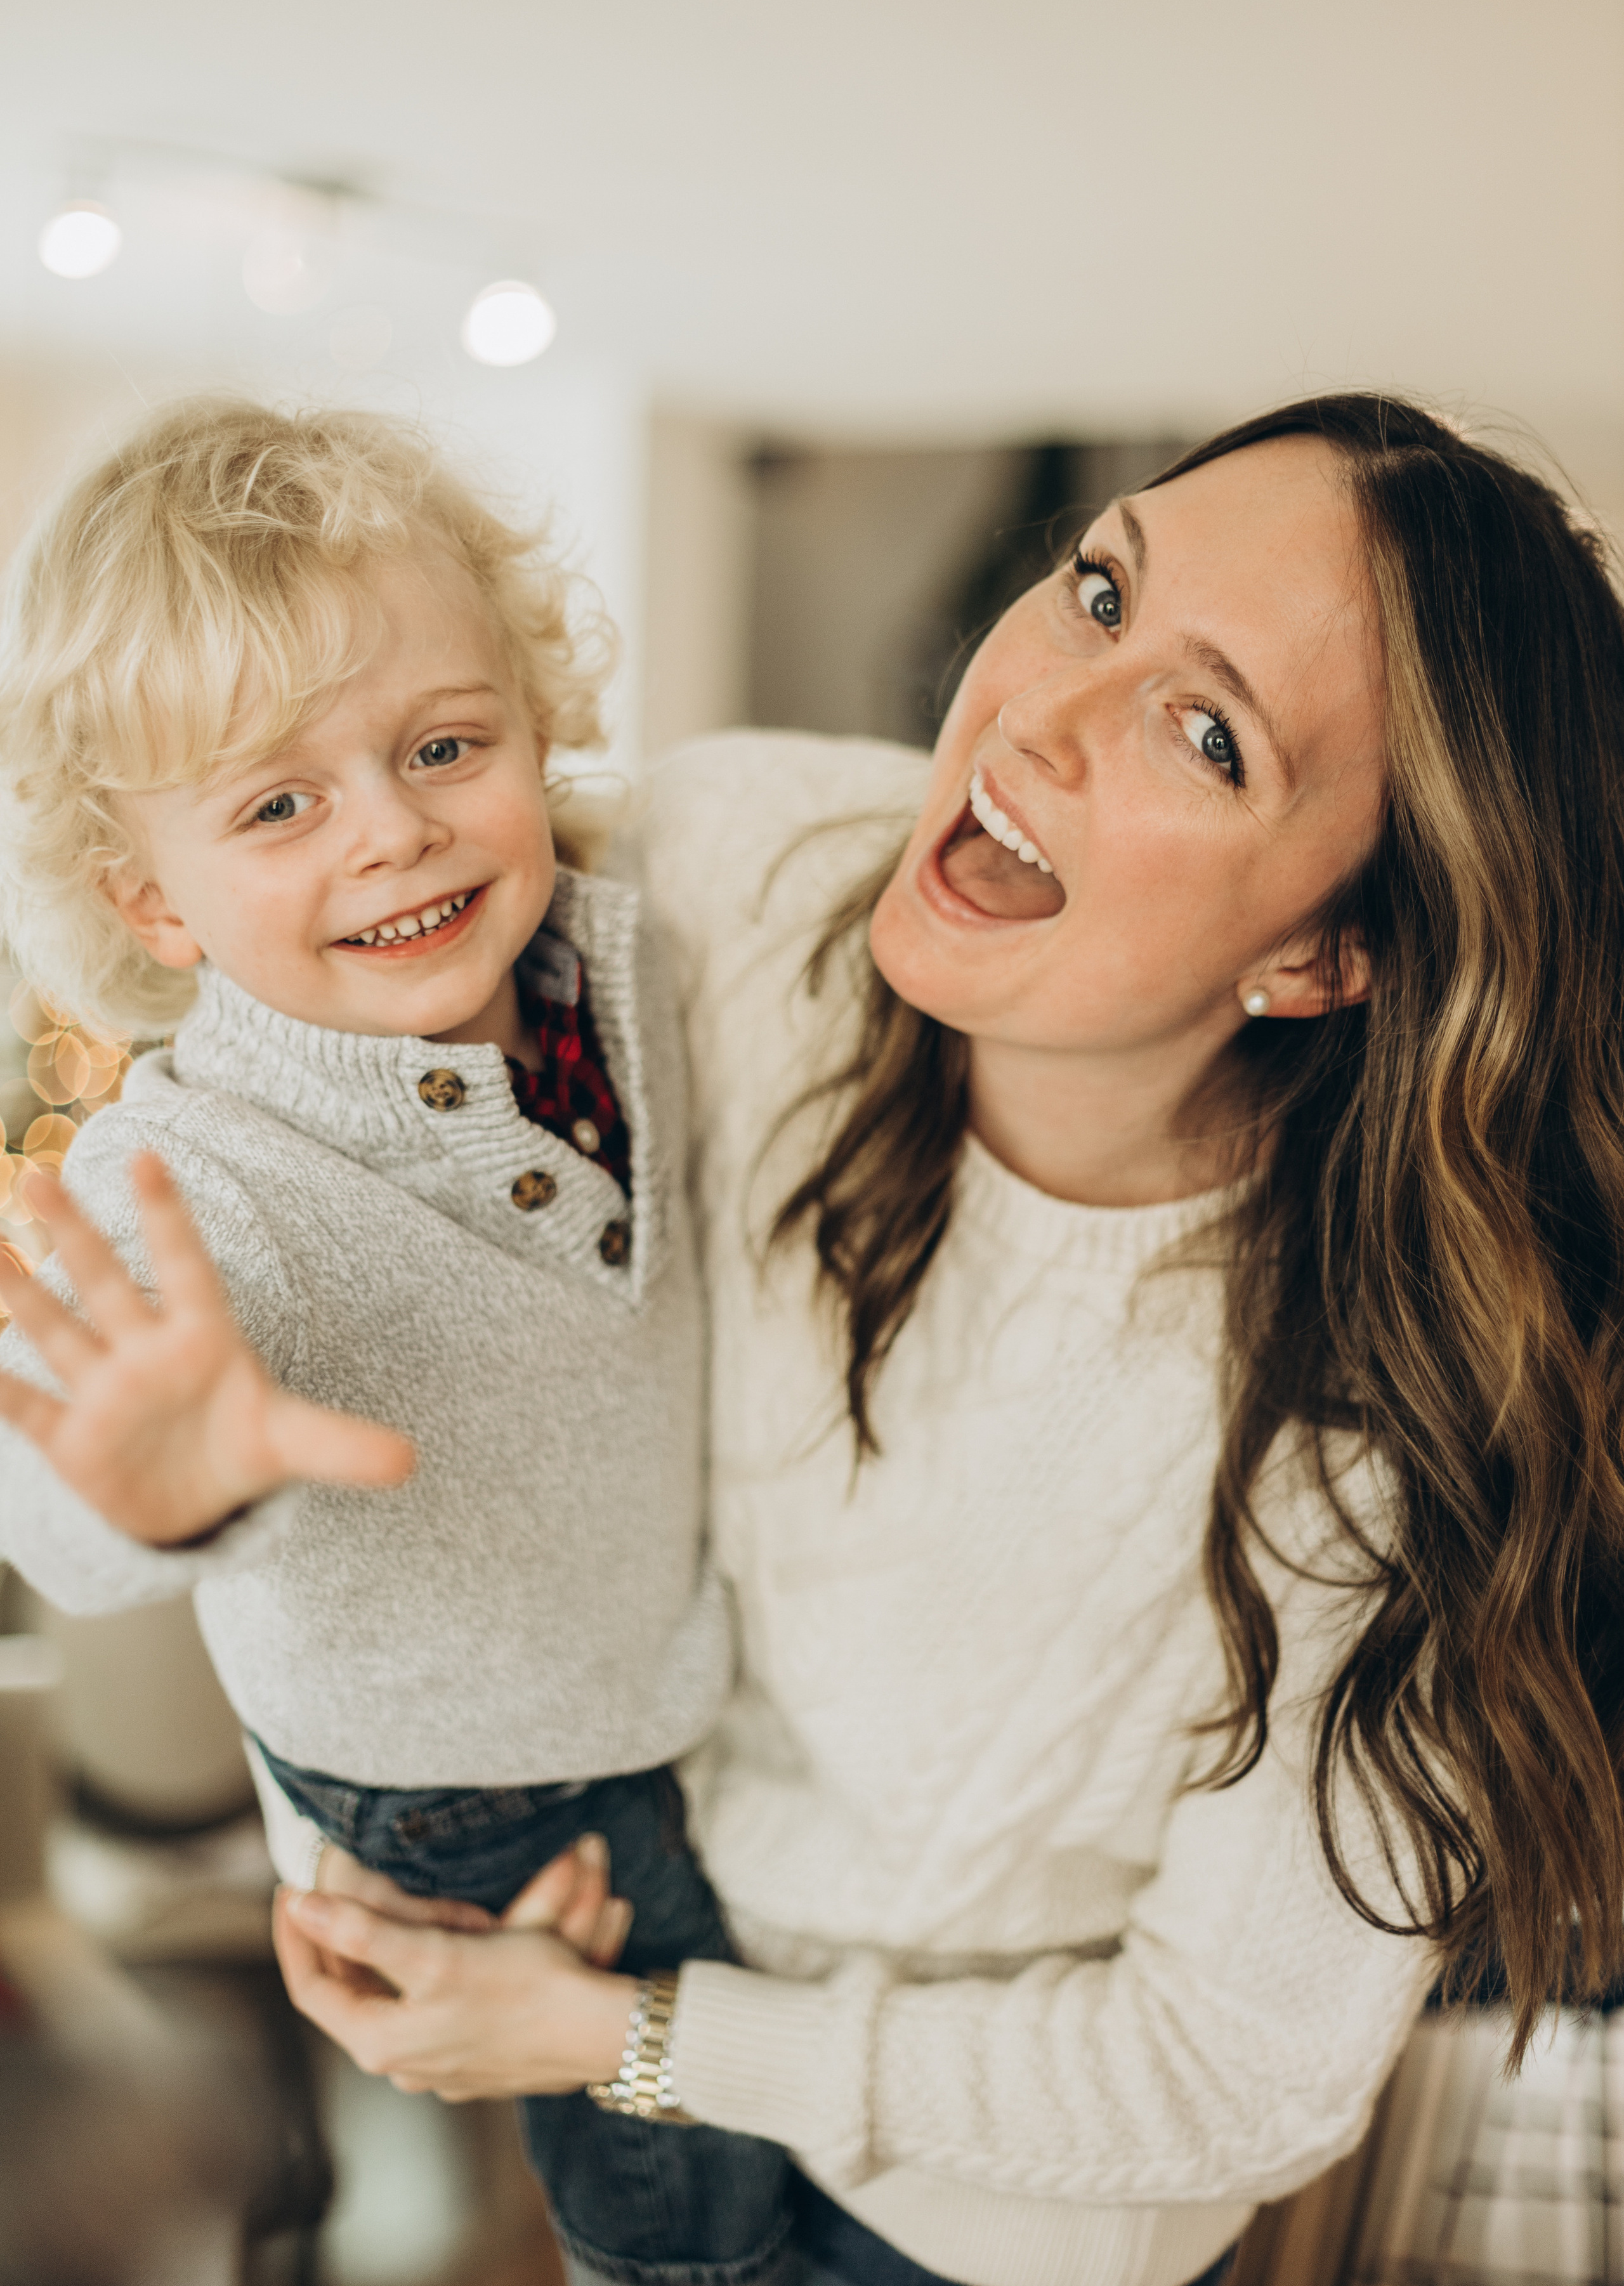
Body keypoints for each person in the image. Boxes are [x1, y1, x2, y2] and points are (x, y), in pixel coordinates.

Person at [254, 395, 1624, 2286]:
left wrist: (638, 2039)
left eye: (1204, 732)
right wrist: (352, 1836)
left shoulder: (1374, 1426)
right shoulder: (728, 868)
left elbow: (1237, 2071)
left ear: (1325, 954)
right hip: (636, 2059)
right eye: (1096, 592)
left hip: (980, 2234)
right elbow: (322, 1160)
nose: (1041, 718)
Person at [0, 399, 793, 2286]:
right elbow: (61, 1505)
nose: (397, 829)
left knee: (786, 2125)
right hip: (453, 1794)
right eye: (277, 804)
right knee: (696, 2226)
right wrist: (141, 1494)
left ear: (532, 719)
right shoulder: (189, 1171)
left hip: (663, 1687)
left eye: (446, 745)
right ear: (147, 898)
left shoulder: (618, 963)